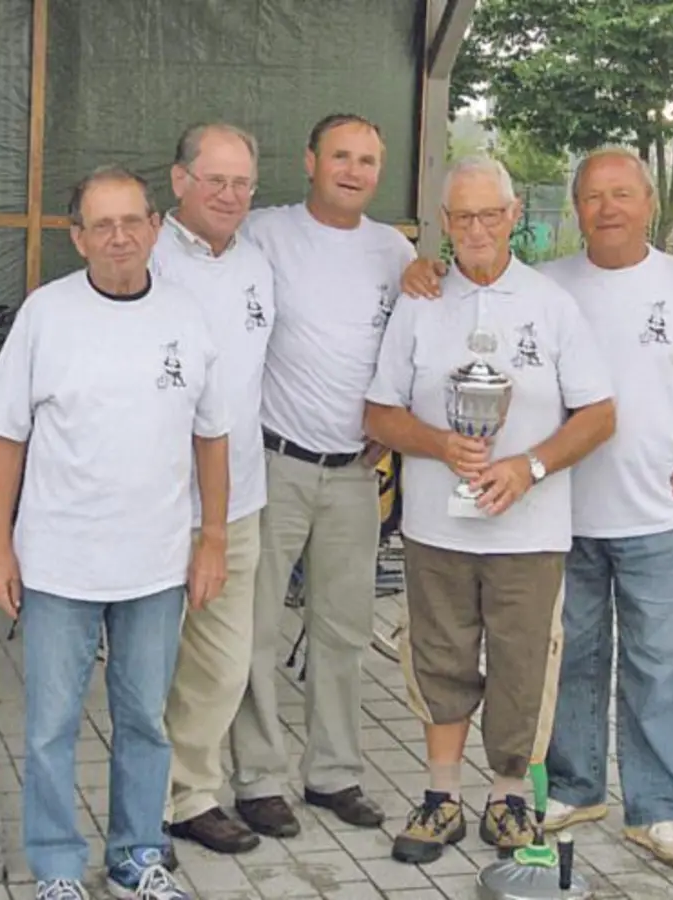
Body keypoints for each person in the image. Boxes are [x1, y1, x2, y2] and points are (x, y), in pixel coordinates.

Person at [399, 146, 673, 869]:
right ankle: (574, 786)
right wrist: (418, 269)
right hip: (560, 517)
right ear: (571, 209)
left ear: (649, 203)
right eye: (593, 197)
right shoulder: (547, 286)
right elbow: (469, 289)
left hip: (657, 513)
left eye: (622, 195)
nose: (607, 209)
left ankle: (658, 808)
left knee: (658, 662)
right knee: (567, 659)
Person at [0, 165, 230, 900]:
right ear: (77, 237)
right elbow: (6, 438)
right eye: (102, 225)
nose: (120, 236)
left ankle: (135, 857)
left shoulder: (186, 317)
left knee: (145, 721)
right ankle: (57, 868)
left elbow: (211, 437)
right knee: (52, 727)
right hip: (59, 563)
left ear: (155, 228)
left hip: (155, 565)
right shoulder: (46, 316)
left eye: (132, 221)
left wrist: (211, 538)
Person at [366, 156, 616, 863]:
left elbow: (599, 414)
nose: (476, 228)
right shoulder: (421, 300)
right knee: (438, 655)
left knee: (521, 662)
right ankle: (441, 798)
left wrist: (529, 467)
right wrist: (441, 443)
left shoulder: (552, 305)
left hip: (528, 530)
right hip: (434, 525)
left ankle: (508, 801)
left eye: (489, 214)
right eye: (462, 216)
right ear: (444, 224)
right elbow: (380, 415)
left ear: (513, 217)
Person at [225, 113, 416, 838]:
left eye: (368, 159)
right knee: (257, 627)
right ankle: (259, 779)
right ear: (310, 161)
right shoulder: (265, 233)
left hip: (354, 474)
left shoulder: (394, 252)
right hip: (275, 461)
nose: (354, 170)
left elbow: (412, 350)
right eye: (341, 155)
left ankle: (334, 773)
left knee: (344, 629)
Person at [150, 123, 273, 856]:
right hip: (154, 501)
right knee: (145, 664)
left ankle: (190, 795)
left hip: (237, 502)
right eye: (215, 179)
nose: (229, 195)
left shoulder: (258, 265)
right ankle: (145, 801)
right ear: (179, 180)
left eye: (242, 183)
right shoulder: (145, 255)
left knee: (222, 664)